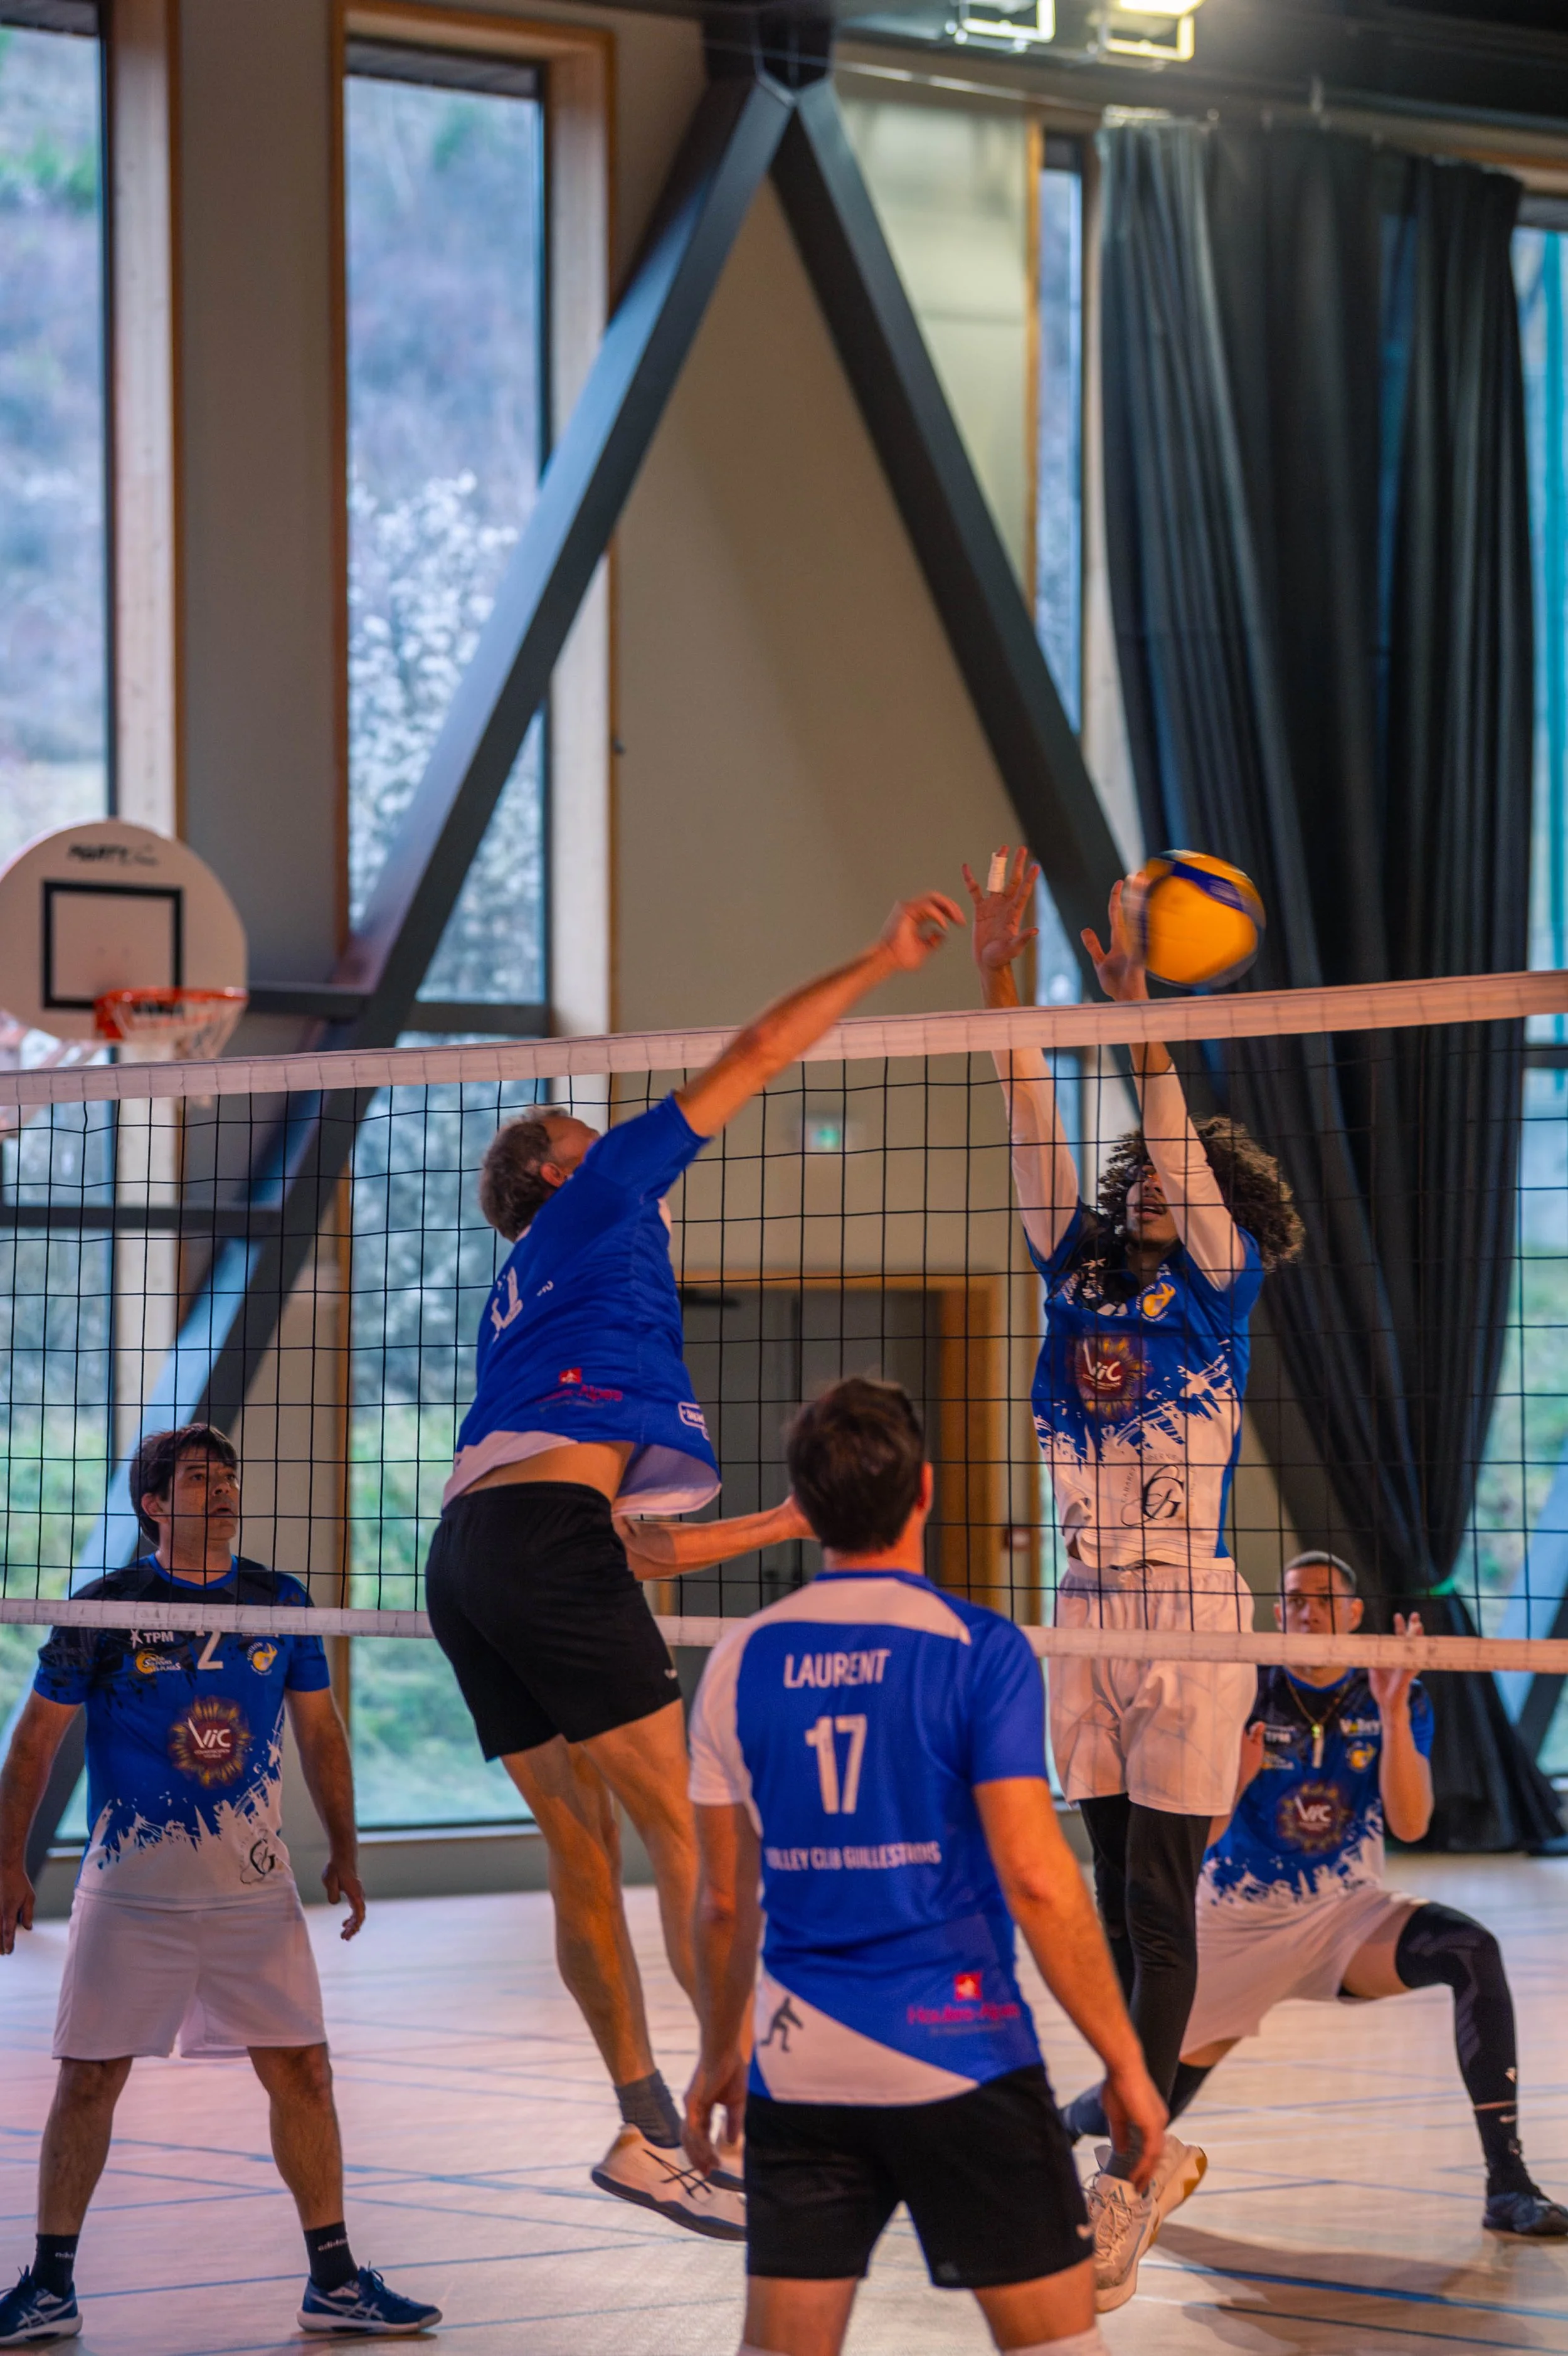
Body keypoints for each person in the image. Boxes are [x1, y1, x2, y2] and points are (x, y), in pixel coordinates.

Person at [423, 894, 963, 2236]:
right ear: (558, 1170)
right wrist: (883, 956)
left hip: (471, 1551)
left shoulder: (533, 1300)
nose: (606, 1136)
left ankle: (643, 2130)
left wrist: (787, 1529)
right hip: (540, 1545)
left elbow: (630, 1555)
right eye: (581, 1131)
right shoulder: (601, 1198)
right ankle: (751, 2119)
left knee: (580, 1847)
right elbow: (761, 1050)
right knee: (698, 1840)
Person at [962, 849, 1305, 2299]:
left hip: (1186, 1609)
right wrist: (997, 981)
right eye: (1146, 1179)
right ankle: (1135, 2127)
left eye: (1180, 1175)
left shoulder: (1217, 1285)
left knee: (1157, 1899)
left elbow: (1159, 1120)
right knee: (1102, 1904)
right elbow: (1028, 1112)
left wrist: (1139, 1008)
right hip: (1080, 1611)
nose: (1159, 1185)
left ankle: (1126, 2166)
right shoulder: (1068, 1269)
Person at [682, 1373, 1178, 2352]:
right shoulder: (980, 1649)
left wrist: (719, 2049)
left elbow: (722, 1905)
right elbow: (1038, 1880)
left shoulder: (742, 1658)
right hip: (963, 2054)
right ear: (927, 1491)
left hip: (802, 2062)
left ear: (806, 1508)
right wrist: (1126, 2063)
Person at [0, 1424, 440, 2343]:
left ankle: (334, 2281)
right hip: (130, 1895)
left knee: (305, 2075)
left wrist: (347, 1850)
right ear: (156, 1505)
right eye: (203, 1479)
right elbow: (33, 1745)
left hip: (253, 1893)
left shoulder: (279, 1602)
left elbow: (321, 1736)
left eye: (231, 1476)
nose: (226, 1490)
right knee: (88, 2083)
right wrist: (7, 1863)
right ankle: (49, 2285)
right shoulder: (106, 1607)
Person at [1174, 1549, 1568, 2240]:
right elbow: (1197, 1841)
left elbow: (1411, 1823)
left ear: (1355, 1614)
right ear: (1278, 1612)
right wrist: (1233, 1780)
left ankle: (1507, 2186)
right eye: (1295, 1599)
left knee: (1471, 1950)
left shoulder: (1393, 1689)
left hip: (1344, 1918)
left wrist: (1390, 1714)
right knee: (1145, 2101)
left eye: (1325, 1599)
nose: (1308, 1610)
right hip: (1235, 1924)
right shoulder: (1246, 1689)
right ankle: (1061, 2134)